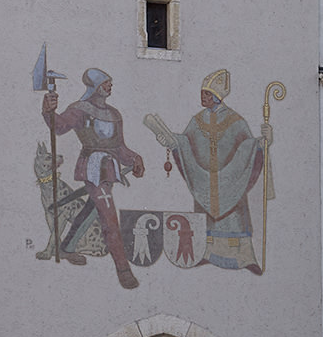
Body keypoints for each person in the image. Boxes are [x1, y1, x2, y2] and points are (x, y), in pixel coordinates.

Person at [42, 68, 145, 289]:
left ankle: (66, 247)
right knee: (109, 217)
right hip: (92, 167)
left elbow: (119, 148)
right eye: (106, 83)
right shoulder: (80, 110)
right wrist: (48, 112)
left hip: (109, 168)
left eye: (110, 83)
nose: (110, 86)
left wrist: (135, 159)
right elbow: (59, 127)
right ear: (96, 86)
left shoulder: (115, 114)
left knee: (91, 210)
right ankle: (123, 269)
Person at [157, 68, 267, 273]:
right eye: (202, 93)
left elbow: (249, 146)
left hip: (231, 179)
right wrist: (172, 140)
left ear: (217, 97)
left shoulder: (236, 121)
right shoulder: (197, 120)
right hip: (205, 181)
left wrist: (261, 142)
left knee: (235, 217)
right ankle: (206, 254)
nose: (203, 97)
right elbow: (185, 142)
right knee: (206, 217)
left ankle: (245, 258)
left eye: (207, 94)